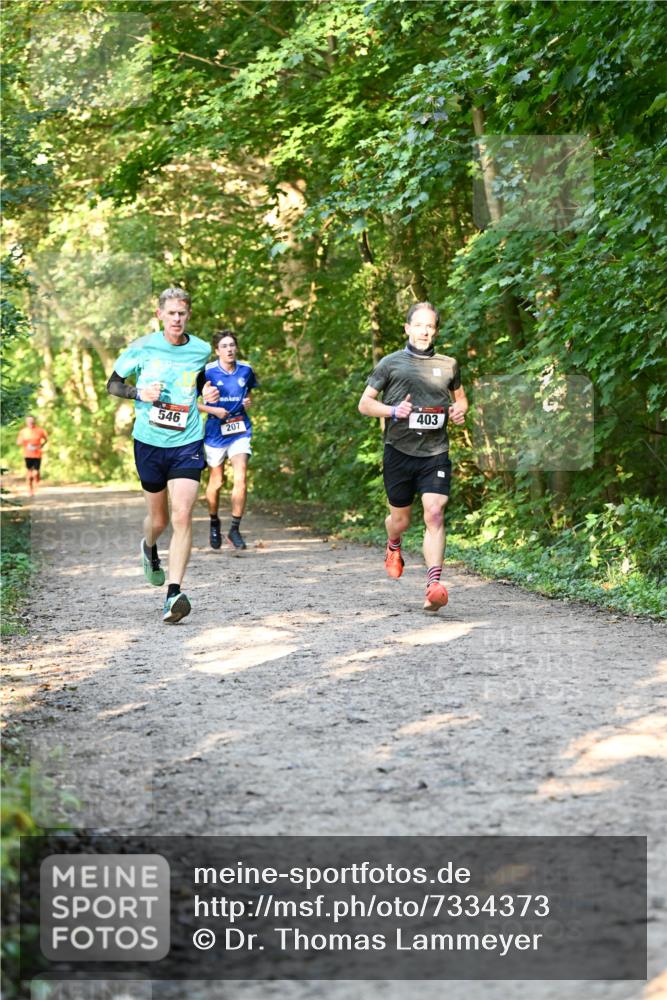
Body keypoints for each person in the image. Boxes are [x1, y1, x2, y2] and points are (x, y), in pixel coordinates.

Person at [106, 287, 219, 623]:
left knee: (183, 515)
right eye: (171, 313)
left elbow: (196, 379)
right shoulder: (142, 347)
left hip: (187, 440)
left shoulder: (200, 349)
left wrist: (205, 390)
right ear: (160, 315)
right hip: (150, 442)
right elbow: (113, 383)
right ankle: (149, 545)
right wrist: (138, 391)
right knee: (160, 520)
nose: (177, 319)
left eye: (182, 313)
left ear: (188, 315)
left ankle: (174, 593)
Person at [358, 302, 468, 612]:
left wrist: (460, 411)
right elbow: (365, 404)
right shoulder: (390, 364)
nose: (424, 331)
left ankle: (433, 585)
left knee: (434, 513)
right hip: (399, 452)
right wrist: (393, 411)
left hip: (435, 452)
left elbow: (460, 399)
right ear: (407, 328)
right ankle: (393, 545)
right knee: (400, 520)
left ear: (435, 330)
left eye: (429, 326)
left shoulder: (449, 364)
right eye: (418, 325)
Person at [198, 330, 258, 550]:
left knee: (241, 475)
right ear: (217, 351)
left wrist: (247, 402)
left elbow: (247, 393)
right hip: (215, 432)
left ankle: (235, 528)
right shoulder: (207, 372)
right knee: (217, 482)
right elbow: (190, 403)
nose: (229, 349)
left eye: (232, 345)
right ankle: (214, 521)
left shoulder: (246, 370)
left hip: (240, 428)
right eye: (224, 346)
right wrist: (212, 408)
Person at [16, 415, 48, 496]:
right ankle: (30, 490)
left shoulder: (40, 430)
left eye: (32, 420)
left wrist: (41, 445)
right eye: (29, 421)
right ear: (26, 422)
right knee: (29, 474)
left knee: (35, 473)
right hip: (28, 455)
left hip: (37, 454)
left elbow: (46, 439)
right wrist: (25, 443)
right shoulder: (23, 431)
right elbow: (18, 442)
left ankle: (37, 480)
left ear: (34, 421)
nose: (30, 422)